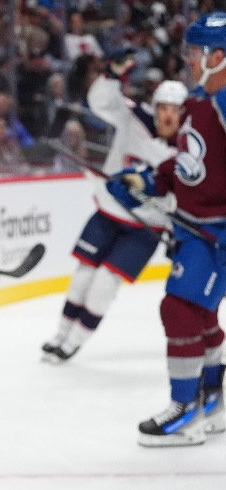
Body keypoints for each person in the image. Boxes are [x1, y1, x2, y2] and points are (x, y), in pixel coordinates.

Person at [106, 12, 226, 447]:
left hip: (217, 235)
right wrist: (147, 180)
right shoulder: (197, 104)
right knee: (199, 312)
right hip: (197, 231)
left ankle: (185, 409)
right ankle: (212, 395)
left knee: (178, 309)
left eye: (195, 52)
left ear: (218, 56)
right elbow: (190, 165)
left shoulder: (224, 101)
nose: (189, 59)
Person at [41, 51, 187, 363]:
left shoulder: (188, 149)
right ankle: (60, 334)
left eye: (175, 110)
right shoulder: (134, 117)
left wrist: (179, 230)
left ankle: (73, 342)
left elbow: (187, 194)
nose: (167, 116)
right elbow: (101, 103)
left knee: (104, 284)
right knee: (83, 276)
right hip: (108, 213)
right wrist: (109, 75)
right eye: (163, 107)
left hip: (146, 229)